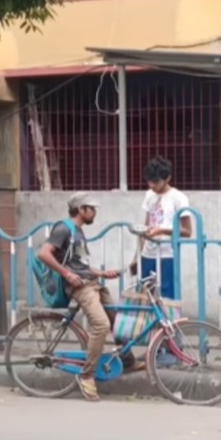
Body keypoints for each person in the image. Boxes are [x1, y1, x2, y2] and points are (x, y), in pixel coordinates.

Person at [37, 192, 139, 402]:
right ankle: (87, 375)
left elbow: (79, 264)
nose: (94, 212)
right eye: (92, 208)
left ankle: (127, 360)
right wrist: (67, 274)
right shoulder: (63, 228)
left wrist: (101, 273)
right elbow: (44, 254)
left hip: (91, 283)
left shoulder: (78, 231)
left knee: (116, 319)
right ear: (81, 209)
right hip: (79, 287)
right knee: (101, 324)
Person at [129, 156, 192, 301]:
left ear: (167, 178)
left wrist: (162, 231)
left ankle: (167, 324)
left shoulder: (179, 198)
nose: (152, 185)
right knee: (144, 296)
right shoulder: (149, 195)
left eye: (156, 181)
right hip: (147, 254)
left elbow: (187, 231)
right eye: (149, 181)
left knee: (166, 298)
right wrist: (136, 257)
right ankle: (148, 324)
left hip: (167, 255)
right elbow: (145, 229)